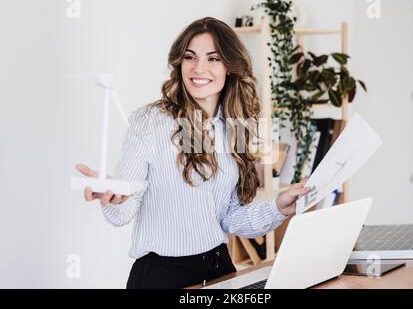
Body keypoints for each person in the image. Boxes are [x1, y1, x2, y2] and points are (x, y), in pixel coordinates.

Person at [76, 17, 310, 289]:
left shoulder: (236, 126)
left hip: (220, 270)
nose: (199, 68)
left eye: (213, 58)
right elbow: (122, 213)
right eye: (190, 57)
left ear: (229, 67)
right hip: (163, 277)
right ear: (180, 63)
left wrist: (278, 208)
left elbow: (230, 218)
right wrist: (113, 196)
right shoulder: (150, 122)